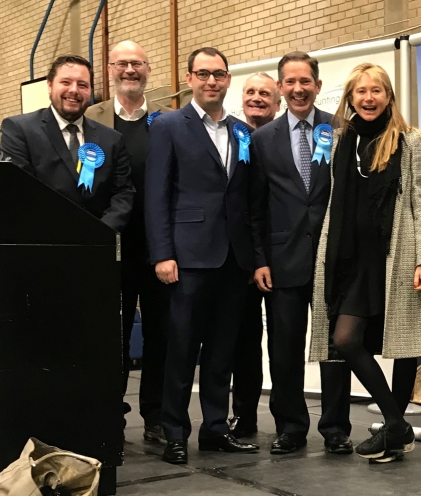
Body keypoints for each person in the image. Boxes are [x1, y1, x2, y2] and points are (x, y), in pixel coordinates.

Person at [307, 62, 421, 463]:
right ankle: (397, 424)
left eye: (376, 91)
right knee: (344, 339)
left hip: (393, 257)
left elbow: (420, 201)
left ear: (388, 96)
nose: (368, 98)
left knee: (401, 347)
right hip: (348, 260)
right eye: (360, 91)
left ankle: (393, 434)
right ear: (350, 98)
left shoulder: (410, 139)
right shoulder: (339, 139)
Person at [145, 47, 258, 465]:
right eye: (204, 74)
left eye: (220, 74)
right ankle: (175, 432)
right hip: (187, 257)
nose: (212, 81)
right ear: (189, 78)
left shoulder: (242, 131)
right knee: (181, 350)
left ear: (229, 80)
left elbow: (243, 195)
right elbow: (156, 194)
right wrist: (162, 253)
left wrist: (251, 255)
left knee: (221, 351)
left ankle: (214, 430)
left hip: (233, 259)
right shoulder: (169, 126)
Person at [249, 52, 353, 455]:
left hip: (334, 259)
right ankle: (290, 426)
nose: (297, 89)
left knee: (336, 347)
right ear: (280, 87)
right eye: (290, 82)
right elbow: (254, 207)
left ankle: (336, 428)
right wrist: (259, 259)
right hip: (281, 261)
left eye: (305, 81)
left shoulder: (342, 129)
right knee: (284, 348)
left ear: (318, 86)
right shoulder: (262, 140)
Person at [85, 41, 171, 444]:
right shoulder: (90, 118)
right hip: (110, 244)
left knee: (159, 333)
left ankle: (154, 414)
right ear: (110, 68)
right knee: (111, 335)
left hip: (158, 247)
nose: (130, 70)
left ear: (148, 69)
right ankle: (110, 413)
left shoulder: (168, 120)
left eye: (138, 63)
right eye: (123, 64)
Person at [0, 54, 134, 233]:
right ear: (49, 85)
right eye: (65, 82)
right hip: (43, 243)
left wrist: (100, 232)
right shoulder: (19, 130)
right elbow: (18, 191)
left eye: (82, 85)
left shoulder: (112, 139)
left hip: (98, 245)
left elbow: (123, 193)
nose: (74, 90)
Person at [228, 72, 280, 439]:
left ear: (277, 103)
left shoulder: (286, 140)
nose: (257, 97)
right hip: (240, 260)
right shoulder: (230, 137)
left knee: (281, 344)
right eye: (251, 92)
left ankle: (286, 420)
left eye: (265, 93)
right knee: (244, 343)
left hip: (281, 257)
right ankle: (244, 417)